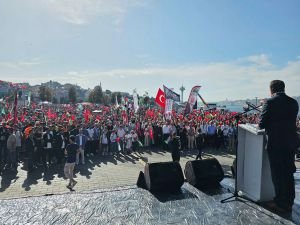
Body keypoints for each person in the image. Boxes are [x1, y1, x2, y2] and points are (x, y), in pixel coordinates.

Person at [259, 80, 299, 212]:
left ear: (271, 90)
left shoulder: (270, 102)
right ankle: (289, 201)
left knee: (277, 174)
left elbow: (262, 124)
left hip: (276, 143)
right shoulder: (294, 102)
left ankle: (280, 203)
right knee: (288, 173)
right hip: (290, 143)